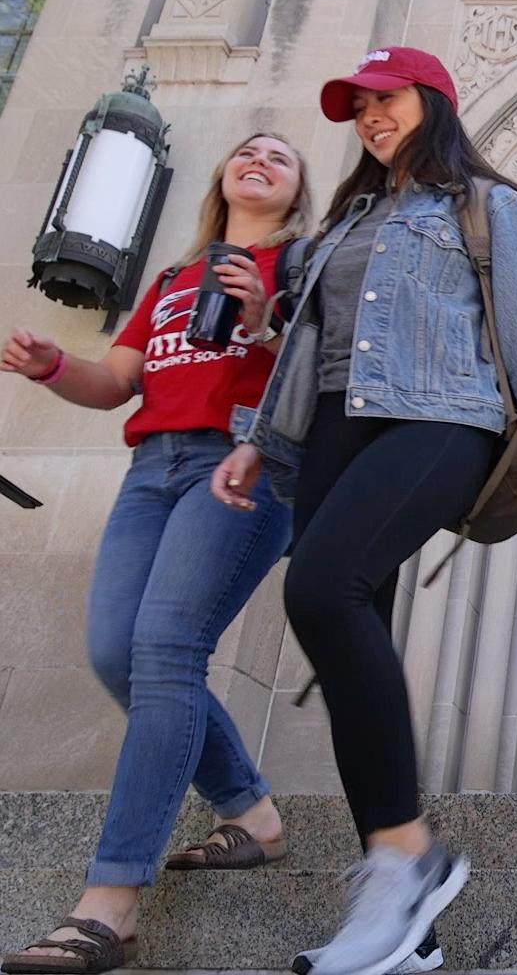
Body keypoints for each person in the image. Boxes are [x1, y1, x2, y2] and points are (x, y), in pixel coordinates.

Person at [211, 47, 517, 975]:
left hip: (441, 418)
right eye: (358, 107)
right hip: (332, 427)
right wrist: (262, 436)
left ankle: (407, 856)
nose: (370, 117)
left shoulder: (485, 205)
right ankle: (404, 918)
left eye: (386, 99)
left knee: (320, 588)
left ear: (435, 103)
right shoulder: (344, 222)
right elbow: (307, 341)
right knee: (348, 640)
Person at [1, 134, 312, 975]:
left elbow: (325, 374)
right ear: (223, 176)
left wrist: (266, 319)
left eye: (280, 156)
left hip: (241, 464)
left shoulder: (303, 267)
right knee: (117, 653)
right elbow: (114, 382)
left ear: (297, 191)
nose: (259, 158)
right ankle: (251, 811)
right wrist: (51, 366)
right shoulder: (174, 278)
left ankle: (110, 903)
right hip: (152, 469)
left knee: (168, 650)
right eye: (248, 149)